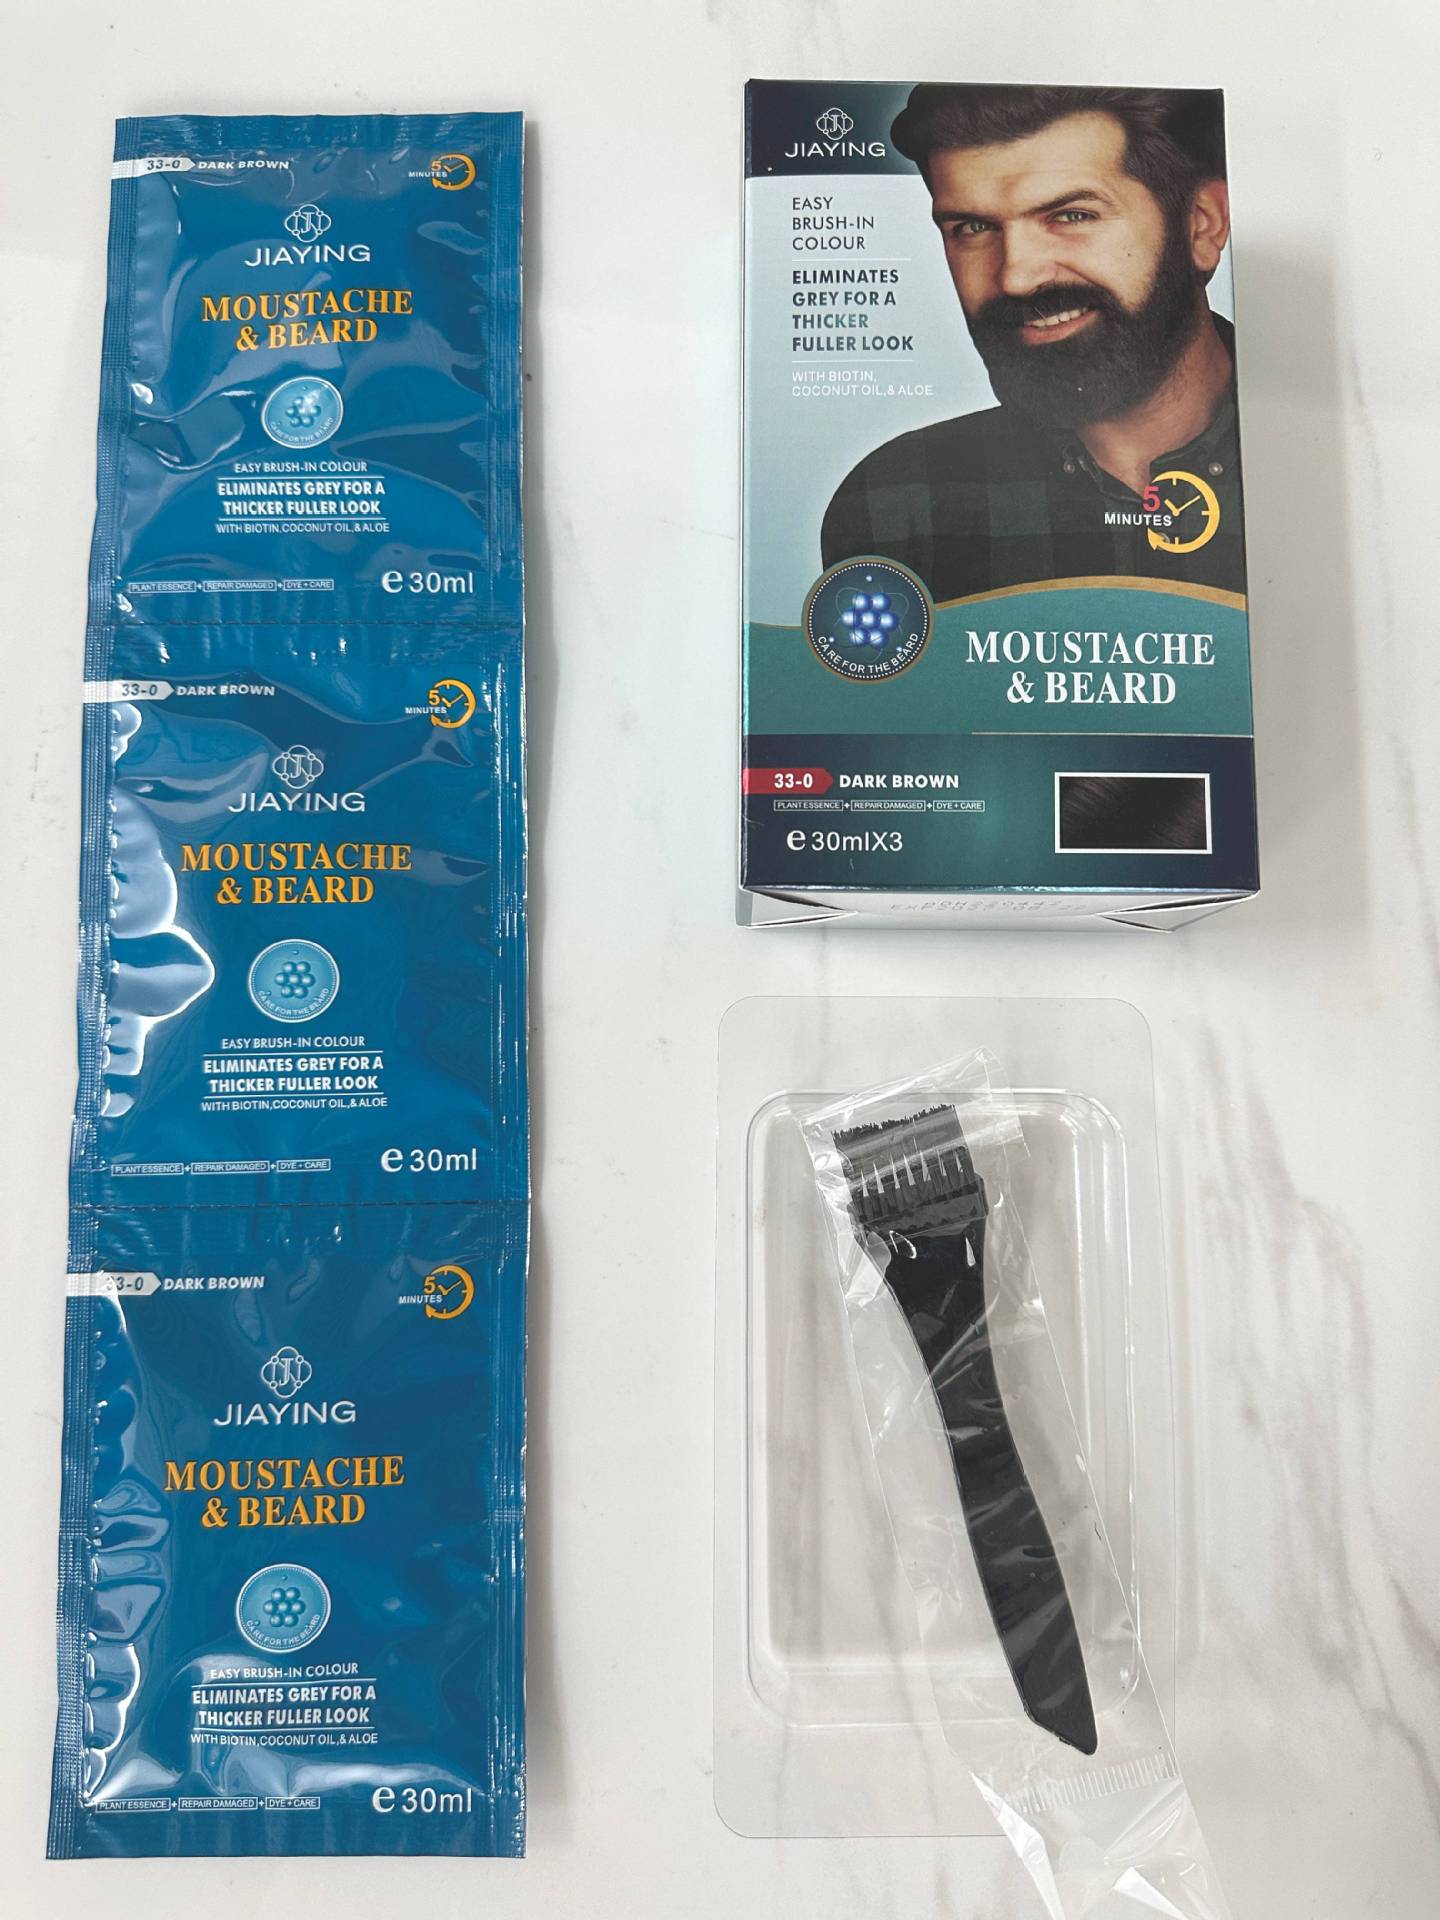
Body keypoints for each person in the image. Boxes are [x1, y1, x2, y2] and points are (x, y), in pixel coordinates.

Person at [821, 86, 1246, 599]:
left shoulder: (1307, 456)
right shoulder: (898, 501)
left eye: (1072, 216)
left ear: (1202, 226)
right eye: (972, 227)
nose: (1016, 277)